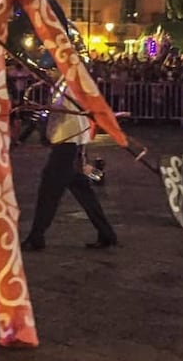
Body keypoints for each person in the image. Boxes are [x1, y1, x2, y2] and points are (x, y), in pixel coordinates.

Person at [21, 71, 119, 251]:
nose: (47, 71)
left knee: (48, 193)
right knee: (84, 193)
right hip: (70, 145)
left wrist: (43, 108)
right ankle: (107, 234)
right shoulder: (65, 82)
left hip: (66, 146)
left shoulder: (69, 84)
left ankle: (36, 236)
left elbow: (64, 110)